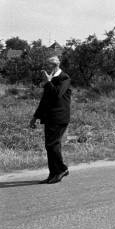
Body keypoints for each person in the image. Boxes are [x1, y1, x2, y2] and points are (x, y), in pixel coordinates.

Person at [29, 56, 72, 185]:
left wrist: (48, 82)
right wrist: (35, 117)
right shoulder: (51, 79)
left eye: (48, 66)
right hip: (50, 117)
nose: (46, 69)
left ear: (55, 65)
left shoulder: (65, 78)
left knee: (52, 145)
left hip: (59, 117)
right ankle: (56, 172)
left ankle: (59, 171)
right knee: (51, 146)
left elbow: (57, 94)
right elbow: (45, 100)